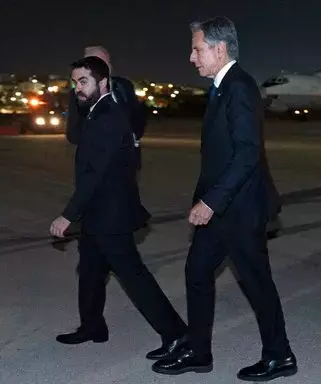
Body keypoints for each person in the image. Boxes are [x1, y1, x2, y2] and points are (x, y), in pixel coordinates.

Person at [152, 16, 297, 381]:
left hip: (240, 208)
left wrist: (211, 201)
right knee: (197, 271)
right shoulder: (222, 86)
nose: (191, 57)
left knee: (256, 282)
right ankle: (199, 351)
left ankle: (280, 356)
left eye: (197, 49)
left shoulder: (239, 87)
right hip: (222, 207)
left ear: (219, 49)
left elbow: (247, 153)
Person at [50, 56, 188, 360]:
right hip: (99, 213)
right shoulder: (97, 111)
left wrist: (67, 214)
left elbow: (95, 174)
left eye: (83, 81)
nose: (77, 89)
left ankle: (177, 334)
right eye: (74, 83)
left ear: (103, 82)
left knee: (134, 277)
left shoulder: (109, 116)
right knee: (89, 272)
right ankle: (92, 327)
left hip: (111, 215)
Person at [66, 46, 146, 170]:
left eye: (105, 62)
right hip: (94, 166)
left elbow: (137, 118)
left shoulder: (124, 86)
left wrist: (131, 138)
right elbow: (73, 134)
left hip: (127, 162)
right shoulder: (78, 94)